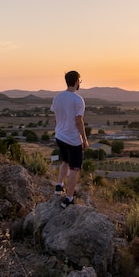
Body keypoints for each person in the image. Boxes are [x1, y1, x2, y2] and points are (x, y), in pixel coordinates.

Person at [50, 70, 89, 208]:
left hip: (59, 136)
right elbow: (79, 121)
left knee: (65, 161)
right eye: (80, 81)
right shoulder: (78, 100)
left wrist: (60, 130)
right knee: (74, 169)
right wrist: (84, 139)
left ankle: (59, 186)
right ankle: (69, 199)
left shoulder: (58, 97)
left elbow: (56, 119)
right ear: (77, 81)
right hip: (73, 140)